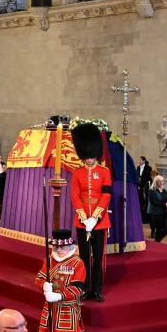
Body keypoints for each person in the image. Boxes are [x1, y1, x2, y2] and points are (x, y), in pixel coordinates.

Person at [70, 123, 110, 302]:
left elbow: (106, 194)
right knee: (84, 257)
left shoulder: (104, 172)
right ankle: (85, 288)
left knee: (98, 258)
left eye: (91, 156)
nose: (88, 159)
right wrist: (84, 218)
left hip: (99, 222)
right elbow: (75, 195)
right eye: (86, 156)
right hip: (82, 221)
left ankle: (98, 289)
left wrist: (95, 217)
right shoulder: (77, 173)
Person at [146, 176, 167, 242]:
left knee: (166, 229)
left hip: (164, 212)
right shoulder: (152, 191)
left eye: (162, 181)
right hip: (155, 213)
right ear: (155, 182)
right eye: (159, 181)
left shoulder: (164, 190)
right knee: (159, 229)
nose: (161, 183)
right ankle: (157, 242)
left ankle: (158, 240)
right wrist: (165, 204)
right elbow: (155, 202)